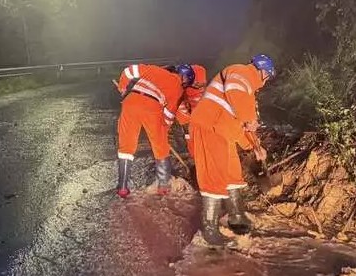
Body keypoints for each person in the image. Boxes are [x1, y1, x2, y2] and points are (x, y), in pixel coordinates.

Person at [188, 54, 276, 246]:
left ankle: (236, 218)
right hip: (208, 126)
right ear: (262, 71)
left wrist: (255, 148)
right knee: (214, 177)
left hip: (223, 131)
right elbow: (240, 104)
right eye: (268, 76)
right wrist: (249, 118)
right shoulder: (241, 72)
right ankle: (210, 230)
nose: (267, 81)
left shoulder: (249, 92)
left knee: (232, 174)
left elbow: (242, 127)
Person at [114, 62, 195, 197]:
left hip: (129, 102)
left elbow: (129, 71)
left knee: (126, 146)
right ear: (184, 78)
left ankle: (122, 187)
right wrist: (162, 128)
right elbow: (169, 114)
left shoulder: (154, 70)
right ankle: (163, 186)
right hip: (152, 106)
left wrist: (124, 89)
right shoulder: (177, 87)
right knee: (160, 146)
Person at [174, 63, 208, 158]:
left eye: (201, 84)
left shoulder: (199, 72)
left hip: (197, 108)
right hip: (182, 110)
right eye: (197, 84)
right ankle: (195, 157)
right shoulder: (176, 87)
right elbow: (178, 106)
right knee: (189, 132)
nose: (198, 85)